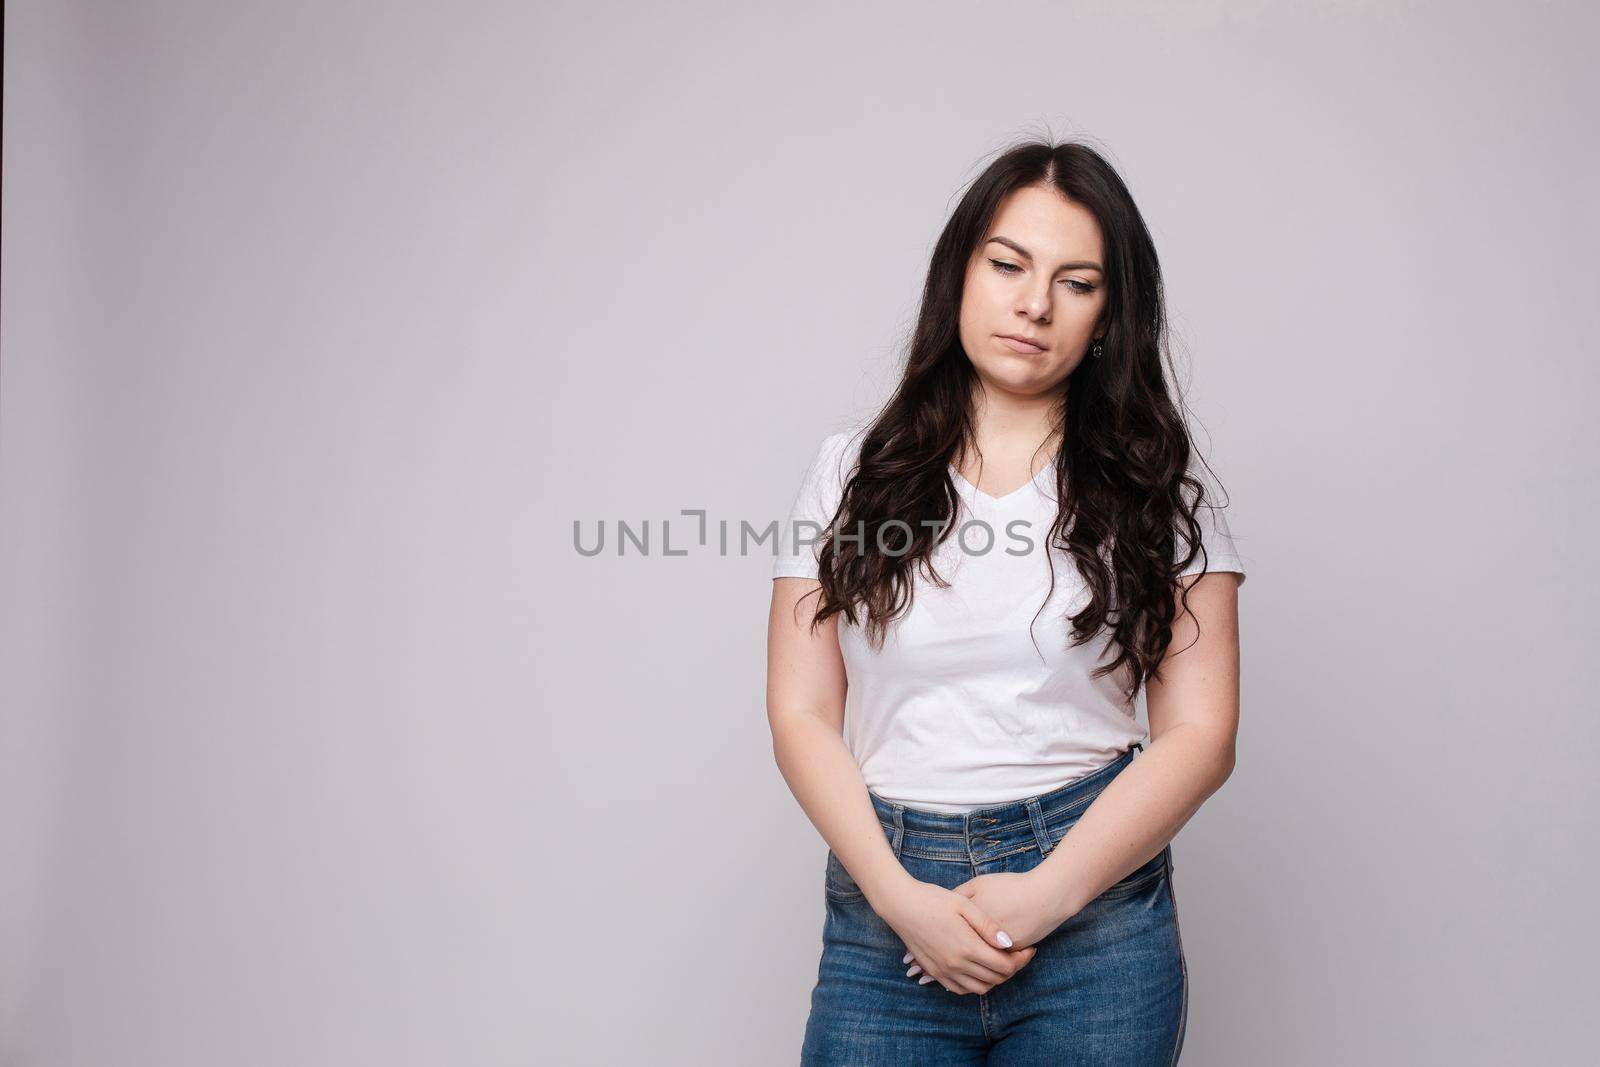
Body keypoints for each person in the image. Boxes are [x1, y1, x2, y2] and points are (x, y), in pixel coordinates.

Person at [766, 139, 1247, 1065]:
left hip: (1093, 916)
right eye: (1008, 265)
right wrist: (901, 898)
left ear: (1110, 314)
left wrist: (1049, 893)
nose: (1034, 304)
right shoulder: (850, 471)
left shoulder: (1159, 485)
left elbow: (1202, 734)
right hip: (886, 908)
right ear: (961, 272)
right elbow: (799, 711)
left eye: (1077, 282)